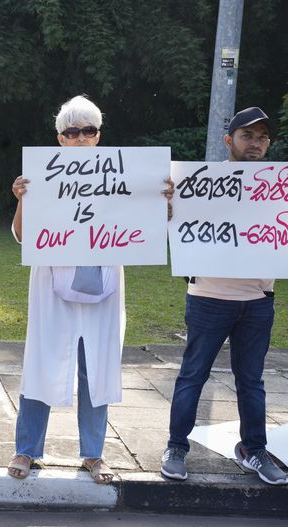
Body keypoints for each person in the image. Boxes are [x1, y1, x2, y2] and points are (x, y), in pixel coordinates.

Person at [8, 95, 173, 484]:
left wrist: (159, 201)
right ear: (60, 137)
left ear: (99, 136)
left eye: (88, 130)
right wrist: (21, 200)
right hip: (52, 284)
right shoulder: (41, 176)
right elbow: (20, 236)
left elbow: (146, 231)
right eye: (71, 131)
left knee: (97, 365)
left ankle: (94, 453)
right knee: (42, 360)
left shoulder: (124, 176)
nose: (80, 138)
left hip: (105, 284)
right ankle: (26, 449)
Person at [161, 107, 287, 486]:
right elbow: (170, 220)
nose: (256, 143)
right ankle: (176, 447)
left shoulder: (277, 185)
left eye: (263, 137)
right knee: (192, 376)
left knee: (251, 381)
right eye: (248, 136)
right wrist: (167, 204)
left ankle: (254, 450)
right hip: (208, 297)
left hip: (257, 299)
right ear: (228, 140)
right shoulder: (199, 182)